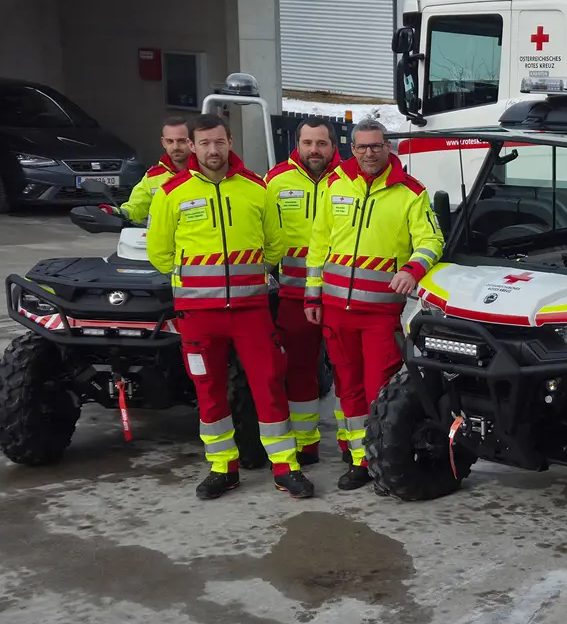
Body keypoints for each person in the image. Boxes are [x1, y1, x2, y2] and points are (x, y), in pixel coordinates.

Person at [145, 115, 314, 500]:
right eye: (203, 144)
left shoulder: (257, 189)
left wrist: (248, 277)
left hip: (250, 311)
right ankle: (223, 468)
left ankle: (286, 467)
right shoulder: (171, 192)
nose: (212, 150)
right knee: (209, 390)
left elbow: (276, 244)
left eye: (219, 142)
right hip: (197, 317)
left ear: (230, 141)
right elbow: (159, 252)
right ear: (190, 146)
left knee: (269, 384)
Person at [305, 120, 445, 491]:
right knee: (346, 388)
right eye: (362, 147)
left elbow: (431, 240)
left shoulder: (411, 192)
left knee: (379, 389)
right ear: (352, 149)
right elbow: (318, 246)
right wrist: (312, 294)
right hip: (335, 310)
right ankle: (358, 461)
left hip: (381, 313)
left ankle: (381, 456)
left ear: (387, 147)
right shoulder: (335, 184)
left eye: (376, 146)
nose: (369, 153)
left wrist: (413, 269)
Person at [266, 119, 340, 466]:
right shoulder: (274, 180)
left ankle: (351, 443)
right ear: (297, 143)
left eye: (321, 143)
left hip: (344, 295)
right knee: (298, 369)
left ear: (333, 146)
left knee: (348, 372)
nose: (314, 150)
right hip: (294, 296)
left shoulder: (350, 181)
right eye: (307, 142)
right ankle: (306, 442)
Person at [122, 115, 195, 222]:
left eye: (181, 141)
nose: (175, 147)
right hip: (162, 237)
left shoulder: (205, 172)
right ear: (163, 142)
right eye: (170, 141)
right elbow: (135, 208)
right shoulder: (153, 177)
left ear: (191, 141)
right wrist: (114, 212)